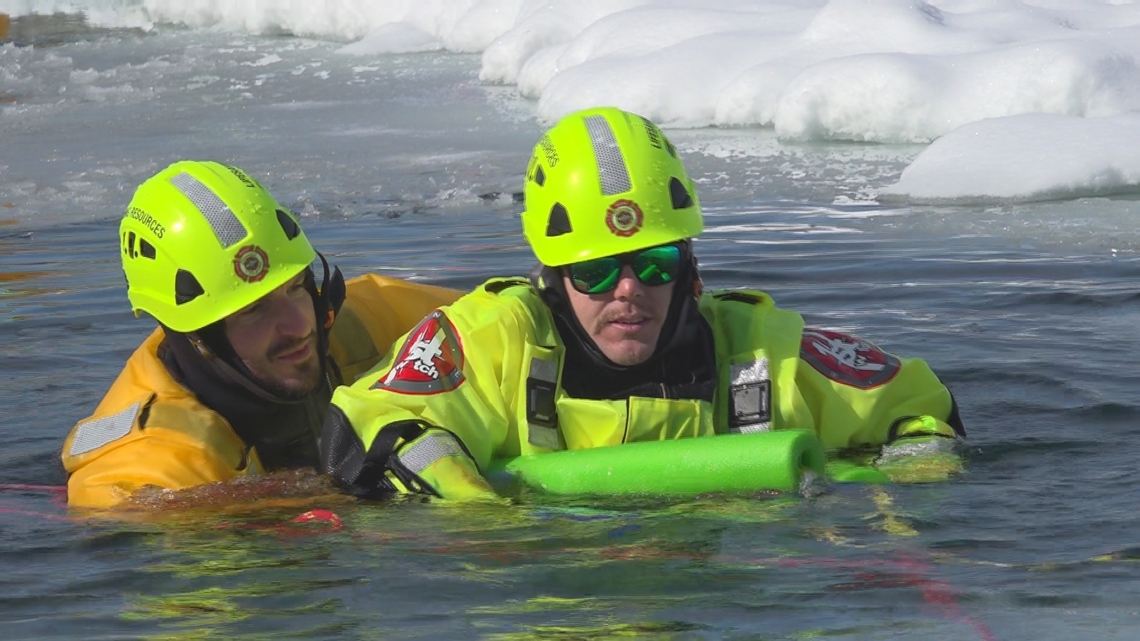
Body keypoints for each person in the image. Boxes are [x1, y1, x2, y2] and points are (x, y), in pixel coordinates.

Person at [319, 107, 965, 500]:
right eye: (597, 271)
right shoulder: (497, 342)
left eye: (655, 264)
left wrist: (891, 502)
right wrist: (483, 520)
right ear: (554, 275)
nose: (629, 290)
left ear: (690, 270)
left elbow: (919, 408)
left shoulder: (758, 353)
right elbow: (366, 422)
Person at [61, 161, 459, 508]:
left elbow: (500, 311)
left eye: (294, 288)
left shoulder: (353, 327)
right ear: (196, 337)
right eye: (254, 310)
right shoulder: (147, 463)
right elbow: (124, 520)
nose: (298, 326)